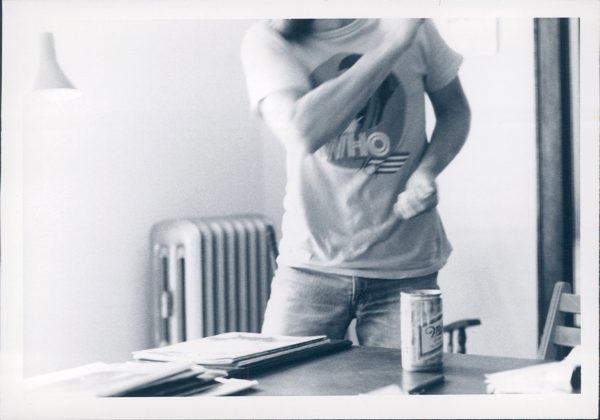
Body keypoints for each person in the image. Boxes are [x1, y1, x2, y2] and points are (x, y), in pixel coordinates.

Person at [240, 18, 471, 348]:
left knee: (408, 382)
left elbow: (455, 111)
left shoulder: (411, 24)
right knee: (279, 379)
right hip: (309, 268)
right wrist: (392, 45)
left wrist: (426, 171)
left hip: (406, 270)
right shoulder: (268, 37)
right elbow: (302, 132)